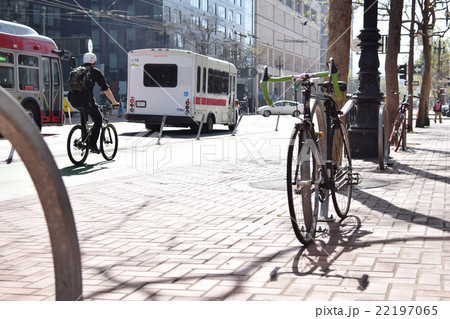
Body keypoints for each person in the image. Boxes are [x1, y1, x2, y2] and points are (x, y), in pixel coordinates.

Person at [68, 52, 119, 153]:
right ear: (94, 61)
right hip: (86, 100)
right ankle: (92, 144)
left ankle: (84, 139)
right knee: (98, 119)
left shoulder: (76, 70)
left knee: (84, 113)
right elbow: (105, 89)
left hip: (73, 99)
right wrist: (114, 102)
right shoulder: (95, 72)